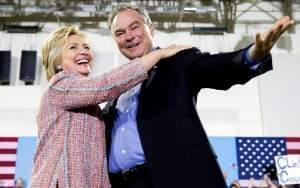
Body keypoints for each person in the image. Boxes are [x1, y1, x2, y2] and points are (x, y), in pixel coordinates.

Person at [103, 5, 294, 188]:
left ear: (151, 29)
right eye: (120, 33)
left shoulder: (177, 61)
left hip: (173, 177)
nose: (128, 36)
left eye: (134, 27)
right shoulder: (116, 86)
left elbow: (213, 66)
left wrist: (252, 55)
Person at [29, 25, 191, 188]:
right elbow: (107, 85)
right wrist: (159, 54)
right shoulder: (59, 86)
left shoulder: (87, 103)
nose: (84, 51)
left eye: (86, 47)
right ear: (56, 61)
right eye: (73, 47)